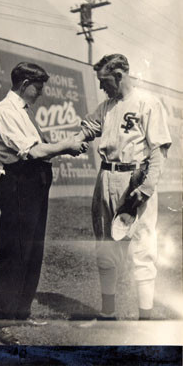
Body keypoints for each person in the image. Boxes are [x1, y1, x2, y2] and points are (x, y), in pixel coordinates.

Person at [75, 54, 172, 320]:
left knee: (142, 249)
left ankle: (145, 319)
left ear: (119, 75)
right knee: (105, 247)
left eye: (104, 81)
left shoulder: (147, 102)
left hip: (134, 179)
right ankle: (108, 314)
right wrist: (73, 141)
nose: (101, 87)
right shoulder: (107, 106)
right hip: (106, 177)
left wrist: (146, 189)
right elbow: (89, 127)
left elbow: (158, 150)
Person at [0, 62, 88, 325]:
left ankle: (21, 311)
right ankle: (4, 317)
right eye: (39, 86)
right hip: (19, 184)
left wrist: (67, 143)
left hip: (35, 183)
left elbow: (41, 148)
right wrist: (66, 145)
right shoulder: (6, 112)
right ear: (24, 85)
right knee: (15, 251)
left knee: (33, 251)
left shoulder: (24, 110)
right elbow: (33, 152)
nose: (42, 92)